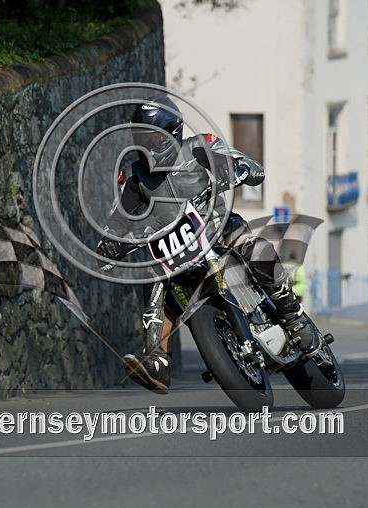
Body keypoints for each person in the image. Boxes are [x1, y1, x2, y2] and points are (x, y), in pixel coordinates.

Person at [96, 97, 320, 394]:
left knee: (255, 248)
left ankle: (291, 315)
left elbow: (245, 164)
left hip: (218, 229)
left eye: (151, 138)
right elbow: (119, 220)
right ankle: (157, 360)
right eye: (140, 138)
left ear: (171, 132)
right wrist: (109, 244)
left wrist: (239, 168)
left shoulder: (200, 147)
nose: (146, 145)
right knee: (151, 278)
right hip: (174, 249)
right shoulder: (137, 176)